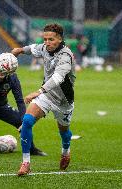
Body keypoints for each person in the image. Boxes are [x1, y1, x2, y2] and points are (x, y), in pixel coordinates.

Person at [12, 23, 76, 176]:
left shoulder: (66, 56)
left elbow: (58, 77)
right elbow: (33, 48)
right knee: (27, 121)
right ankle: (26, 163)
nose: (47, 43)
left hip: (63, 101)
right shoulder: (44, 48)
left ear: (60, 39)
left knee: (64, 131)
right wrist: (20, 50)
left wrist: (38, 91)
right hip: (46, 96)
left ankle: (66, 151)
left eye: (51, 39)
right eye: (45, 39)